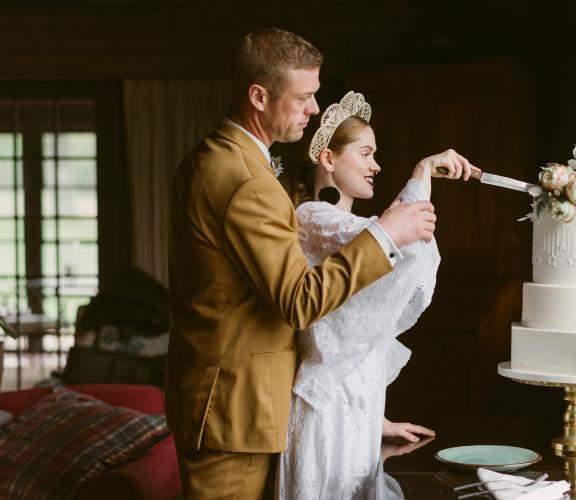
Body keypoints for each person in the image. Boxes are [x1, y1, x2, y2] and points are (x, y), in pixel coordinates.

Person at [165, 29, 439, 500]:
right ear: (258, 96)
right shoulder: (245, 179)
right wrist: (385, 235)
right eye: (305, 97)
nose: (315, 110)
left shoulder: (212, 157)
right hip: (236, 409)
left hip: (228, 400)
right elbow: (300, 300)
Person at [276, 91, 476, 499]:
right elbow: (398, 242)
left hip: (359, 407)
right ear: (328, 160)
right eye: (366, 154)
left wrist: (378, 422)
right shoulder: (313, 218)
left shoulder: (348, 225)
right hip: (327, 412)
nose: (375, 165)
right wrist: (422, 171)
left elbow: (366, 310)